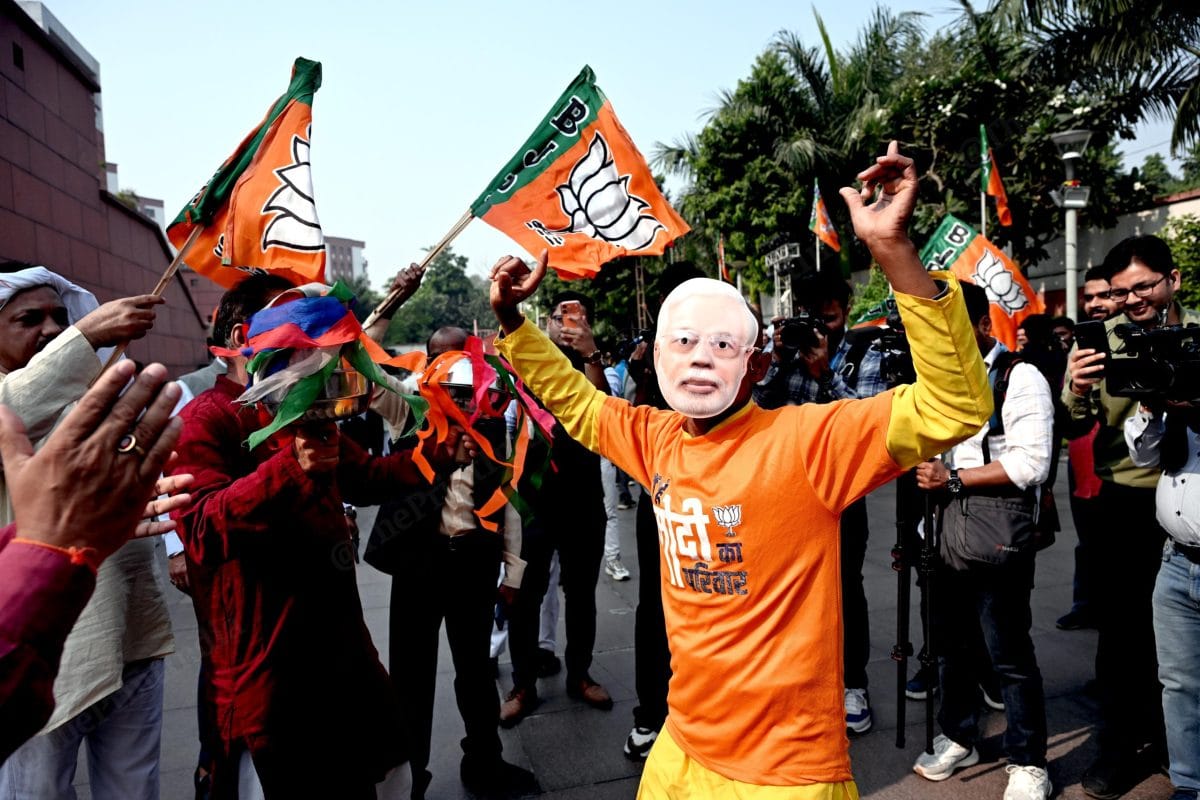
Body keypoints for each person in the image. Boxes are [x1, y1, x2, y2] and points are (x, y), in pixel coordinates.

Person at [488, 141, 991, 796]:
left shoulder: (810, 442)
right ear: (659, 358)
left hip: (786, 774)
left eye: (724, 343)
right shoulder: (654, 437)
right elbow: (581, 406)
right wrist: (512, 323)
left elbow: (953, 405)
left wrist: (894, 252)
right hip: (682, 750)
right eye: (684, 342)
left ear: (757, 364)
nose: (701, 358)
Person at [170, 274, 463, 799]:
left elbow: (369, 476)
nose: (315, 346)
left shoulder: (300, 409)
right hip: (266, 662)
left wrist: (438, 455)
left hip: (341, 646)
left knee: (386, 772)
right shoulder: (206, 419)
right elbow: (199, 529)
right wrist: (290, 465)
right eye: (296, 330)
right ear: (243, 338)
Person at [0, 264, 178, 800]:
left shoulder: (91, 394)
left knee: (134, 789)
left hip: (130, 631)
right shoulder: (23, 394)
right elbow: (13, 408)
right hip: (35, 645)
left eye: (60, 317)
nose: (51, 329)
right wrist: (86, 335)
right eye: (30, 319)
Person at [368, 326, 536, 799]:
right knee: (410, 678)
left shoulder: (492, 416)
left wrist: (514, 571)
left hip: (474, 564)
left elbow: (509, 497)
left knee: (476, 674)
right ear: (426, 366)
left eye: (462, 361)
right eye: (441, 362)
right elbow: (361, 369)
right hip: (418, 565)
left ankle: (484, 763)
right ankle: (411, 777)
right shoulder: (409, 410)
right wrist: (390, 311)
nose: (453, 374)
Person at [1064, 235, 1200, 798]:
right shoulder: (1108, 338)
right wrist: (1075, 387)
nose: (1130, 299)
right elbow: (1074, 425)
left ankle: (1178, 749)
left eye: (1142, 286)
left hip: (1186, 496)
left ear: (1173, 280)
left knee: (1182, 652)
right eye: (1120, 292)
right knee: (1122, 636)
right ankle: (1120, 747)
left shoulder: (1197, 334)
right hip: (1123, 504)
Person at [911, 282, 1054, 800]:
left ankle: (1028, 760)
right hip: (941, 534)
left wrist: (952, 481)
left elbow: (1031, 463)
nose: (941, 339)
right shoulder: (933, 382)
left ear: (981, 326)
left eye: (950, 326)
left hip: (995, 538)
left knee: (1008, 653)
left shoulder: (1020, 376)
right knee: (949, 651)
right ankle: (958, 736)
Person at [754, 267, 888, 735]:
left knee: (845, 588)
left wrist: (825, 372)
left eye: (829, 320)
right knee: (783, 590)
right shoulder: (785, 351)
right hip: (780, 490)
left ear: (845, 313)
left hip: (840, 491)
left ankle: (853, 684)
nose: (819, 329)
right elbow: (755, 409)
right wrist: (772, 361)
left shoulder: (864, 350)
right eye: (812, 318)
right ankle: (796, 681)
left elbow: (868, 423)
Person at [499, 292, 614, 725]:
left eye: (576, 315)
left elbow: (608, 414)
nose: (565, 322)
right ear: (543, 322)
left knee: (582, 593)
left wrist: (590, 353)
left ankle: (580, 674)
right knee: (523, 597)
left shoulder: (594, 361)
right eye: (558, 315)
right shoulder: (522, 363)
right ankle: (523, 684)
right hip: (531, 500)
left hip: (583, 499)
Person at [620, 262, 704, 761]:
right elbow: (627, 414)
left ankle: (689, 713)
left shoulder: (728, 343)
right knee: (656, 605)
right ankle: (653, 713)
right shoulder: (651, 352)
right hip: (665, 491)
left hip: (720, 491)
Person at [1126, 401, 1200, 800]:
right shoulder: (1178, 405)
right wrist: (1150, 409)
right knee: (1178, 683)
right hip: (1176, 561)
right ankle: (1188, 784)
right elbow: (1142, 456)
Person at [1056, 266, 1121, 632]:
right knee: (1089, 541)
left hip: (1130, 468)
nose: (1095, 304)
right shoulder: (1083, 346)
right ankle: (1087, 605)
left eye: (1103, 295)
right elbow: (1068, 410)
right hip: (1084, 456)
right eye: (1089, 297)